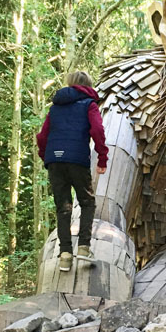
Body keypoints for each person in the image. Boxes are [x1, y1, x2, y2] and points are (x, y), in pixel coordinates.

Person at [37, 70, 108, 271]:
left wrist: (47, 156)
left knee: (63, 207)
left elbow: (42, 136)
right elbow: (97, 130)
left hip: (55, 161)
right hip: (77, 159)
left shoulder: (55, 108)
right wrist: (102, 157)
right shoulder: (89, 105)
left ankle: (65, 255)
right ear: (88, 85)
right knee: (87, 202)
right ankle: (84, 247)